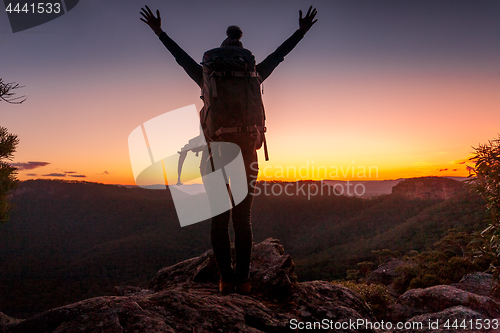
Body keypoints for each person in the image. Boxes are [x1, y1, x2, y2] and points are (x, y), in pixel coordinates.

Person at [140, 5, 317, 294]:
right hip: (248, 152)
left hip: (214, 154)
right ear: (243, 54)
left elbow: (180, 58)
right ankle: (244, 281)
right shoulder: (254, 75)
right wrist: (301, 32)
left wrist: (160, 32)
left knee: (220, 220)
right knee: (243, 219)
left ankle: (225, 280)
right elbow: (279, 55)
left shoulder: (207, 76)